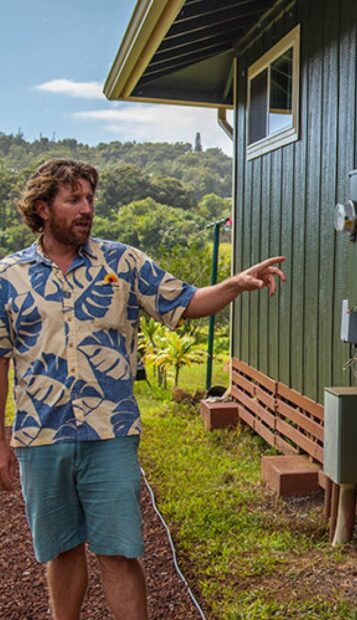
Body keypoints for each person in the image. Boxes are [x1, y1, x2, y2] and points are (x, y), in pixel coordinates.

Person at [0, 159, 285, 620]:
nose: (86, 208)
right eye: (73, 199)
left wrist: (232, 285)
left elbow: (185, 301)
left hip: (109, 433)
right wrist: (0, 439)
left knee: (119, 550)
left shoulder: (123, 262)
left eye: (90, 198)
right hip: (41, 435)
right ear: (42, 208)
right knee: (62, 550)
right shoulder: (7, 278)